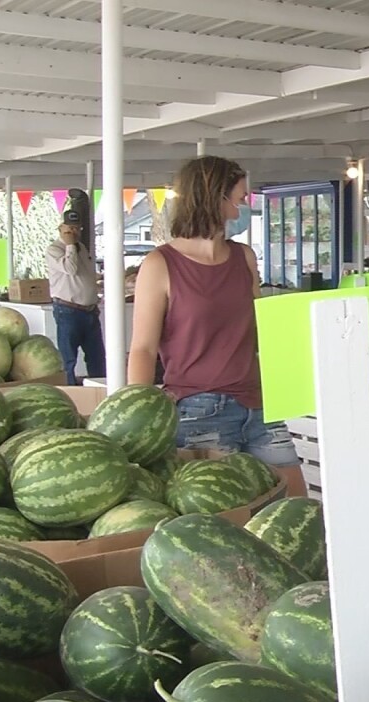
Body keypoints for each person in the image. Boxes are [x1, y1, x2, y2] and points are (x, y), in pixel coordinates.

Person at [127, 156, 300, 470]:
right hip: (198, 409)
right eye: (240, 199)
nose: (243, 207)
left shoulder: (244, 257)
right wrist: (140, 417)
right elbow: (143, 348)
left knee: (294, 497)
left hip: (259, 403)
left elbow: (260, 330)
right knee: (220, 500)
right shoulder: (160, 264)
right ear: (214, 198)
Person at [45, 212, 106, 385]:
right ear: (61, 228)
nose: (73, 232)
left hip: (89, 310)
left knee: (97, 357)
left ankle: (99, 389)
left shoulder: (82, 248)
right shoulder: (54, 250)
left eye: (77, 228)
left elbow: (84, 274)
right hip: (68, 310)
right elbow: (71, 269)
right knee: (69, 359)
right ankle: (71, 391)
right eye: (70, 228)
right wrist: (70, 245)